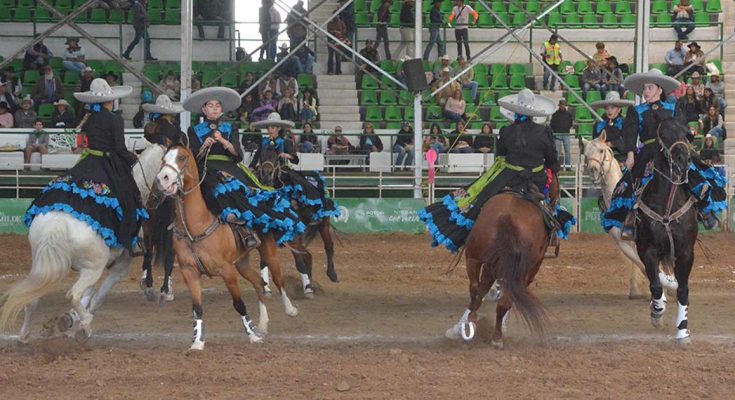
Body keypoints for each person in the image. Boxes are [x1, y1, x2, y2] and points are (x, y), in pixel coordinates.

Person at [419, 89, 572, 252]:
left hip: (509, 177)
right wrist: (548, 168)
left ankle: (467, 233)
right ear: (533, 113)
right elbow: (552, 160)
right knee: (550, 201)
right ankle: (553, 229)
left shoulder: (506, 131)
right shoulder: (545, 131)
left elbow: (501, 156)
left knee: (479, 199)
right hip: (537, 179)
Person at [25, 78, 146, 253]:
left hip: (88, 162)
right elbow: (119, 148)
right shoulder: (115, 120)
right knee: (129, 195)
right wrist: (134, 159)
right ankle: (130, 241)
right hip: (108, 164)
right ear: (110, 101)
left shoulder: (88, 119)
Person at [602, 69, 726, 236]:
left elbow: (681, 127)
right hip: (648, 151)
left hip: (672, 148)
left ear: (659, 89)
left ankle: (704, 210)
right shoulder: (636, 111)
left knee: (691, 170)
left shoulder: (672, 107)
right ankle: (631, 219)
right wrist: (631, 154)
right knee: (635, 181)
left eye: (649, 88)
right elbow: (630, 134)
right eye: (644, 88)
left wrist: (684, 144)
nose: (646, 91)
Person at [182, 87, 303, 246]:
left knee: (250, 191)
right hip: (206, 167)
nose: (214, 108)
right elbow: (193, 156)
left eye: (217, 105)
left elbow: (238, 155)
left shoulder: (229, 128)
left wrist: (224, 142)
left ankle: (249, 229)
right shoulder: (194, 130)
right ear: (204, 109)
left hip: (230, 167)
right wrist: (204, 145)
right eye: (210, 105)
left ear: (222, 109)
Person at [249, 112, 340, 224]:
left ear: (278, 128)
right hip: (263, 171)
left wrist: (287, 155)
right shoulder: (263, 142)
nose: (270, 130)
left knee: (297, 182)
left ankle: (302, 208)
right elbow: (256, 157)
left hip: (281, 169)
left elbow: (295, 160)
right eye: (268, 127)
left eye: (272, 127)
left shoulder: (286, 142)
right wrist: (251, 168)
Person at [590, 91, 635, 163]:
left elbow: (628, 142)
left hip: (621, 159)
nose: (609, 110)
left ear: (619, 109)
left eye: (612, 108)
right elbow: (594, 142)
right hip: (602, 160)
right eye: (607, 108)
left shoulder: (625, 123)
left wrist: (611, 144)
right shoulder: (599, 126)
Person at [549, 98, 573, 169]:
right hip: (557, 134)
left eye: (563, 105)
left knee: (567, 151)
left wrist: (566, 129)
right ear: (559, 106)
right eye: (561, 105)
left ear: (565, 105)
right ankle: (557, 167)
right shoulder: (555, 114)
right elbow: (552, 124)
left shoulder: (569, 114)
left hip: (566, 134)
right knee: (557, 152)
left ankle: (568, 166)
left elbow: (570, 123)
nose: (562, 106)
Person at [327, 11, 347, 75]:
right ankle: (330, 70)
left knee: (338, 56)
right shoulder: (330, 23)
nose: (336, 16)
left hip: (338, 41)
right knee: (330, 56)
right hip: (331, 41)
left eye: (337, 15)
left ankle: (338, 71)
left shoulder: (341, 23)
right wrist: (333, 32)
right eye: (334, 15)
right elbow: (328, 31)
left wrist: (339, 33)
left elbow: (344, 30)